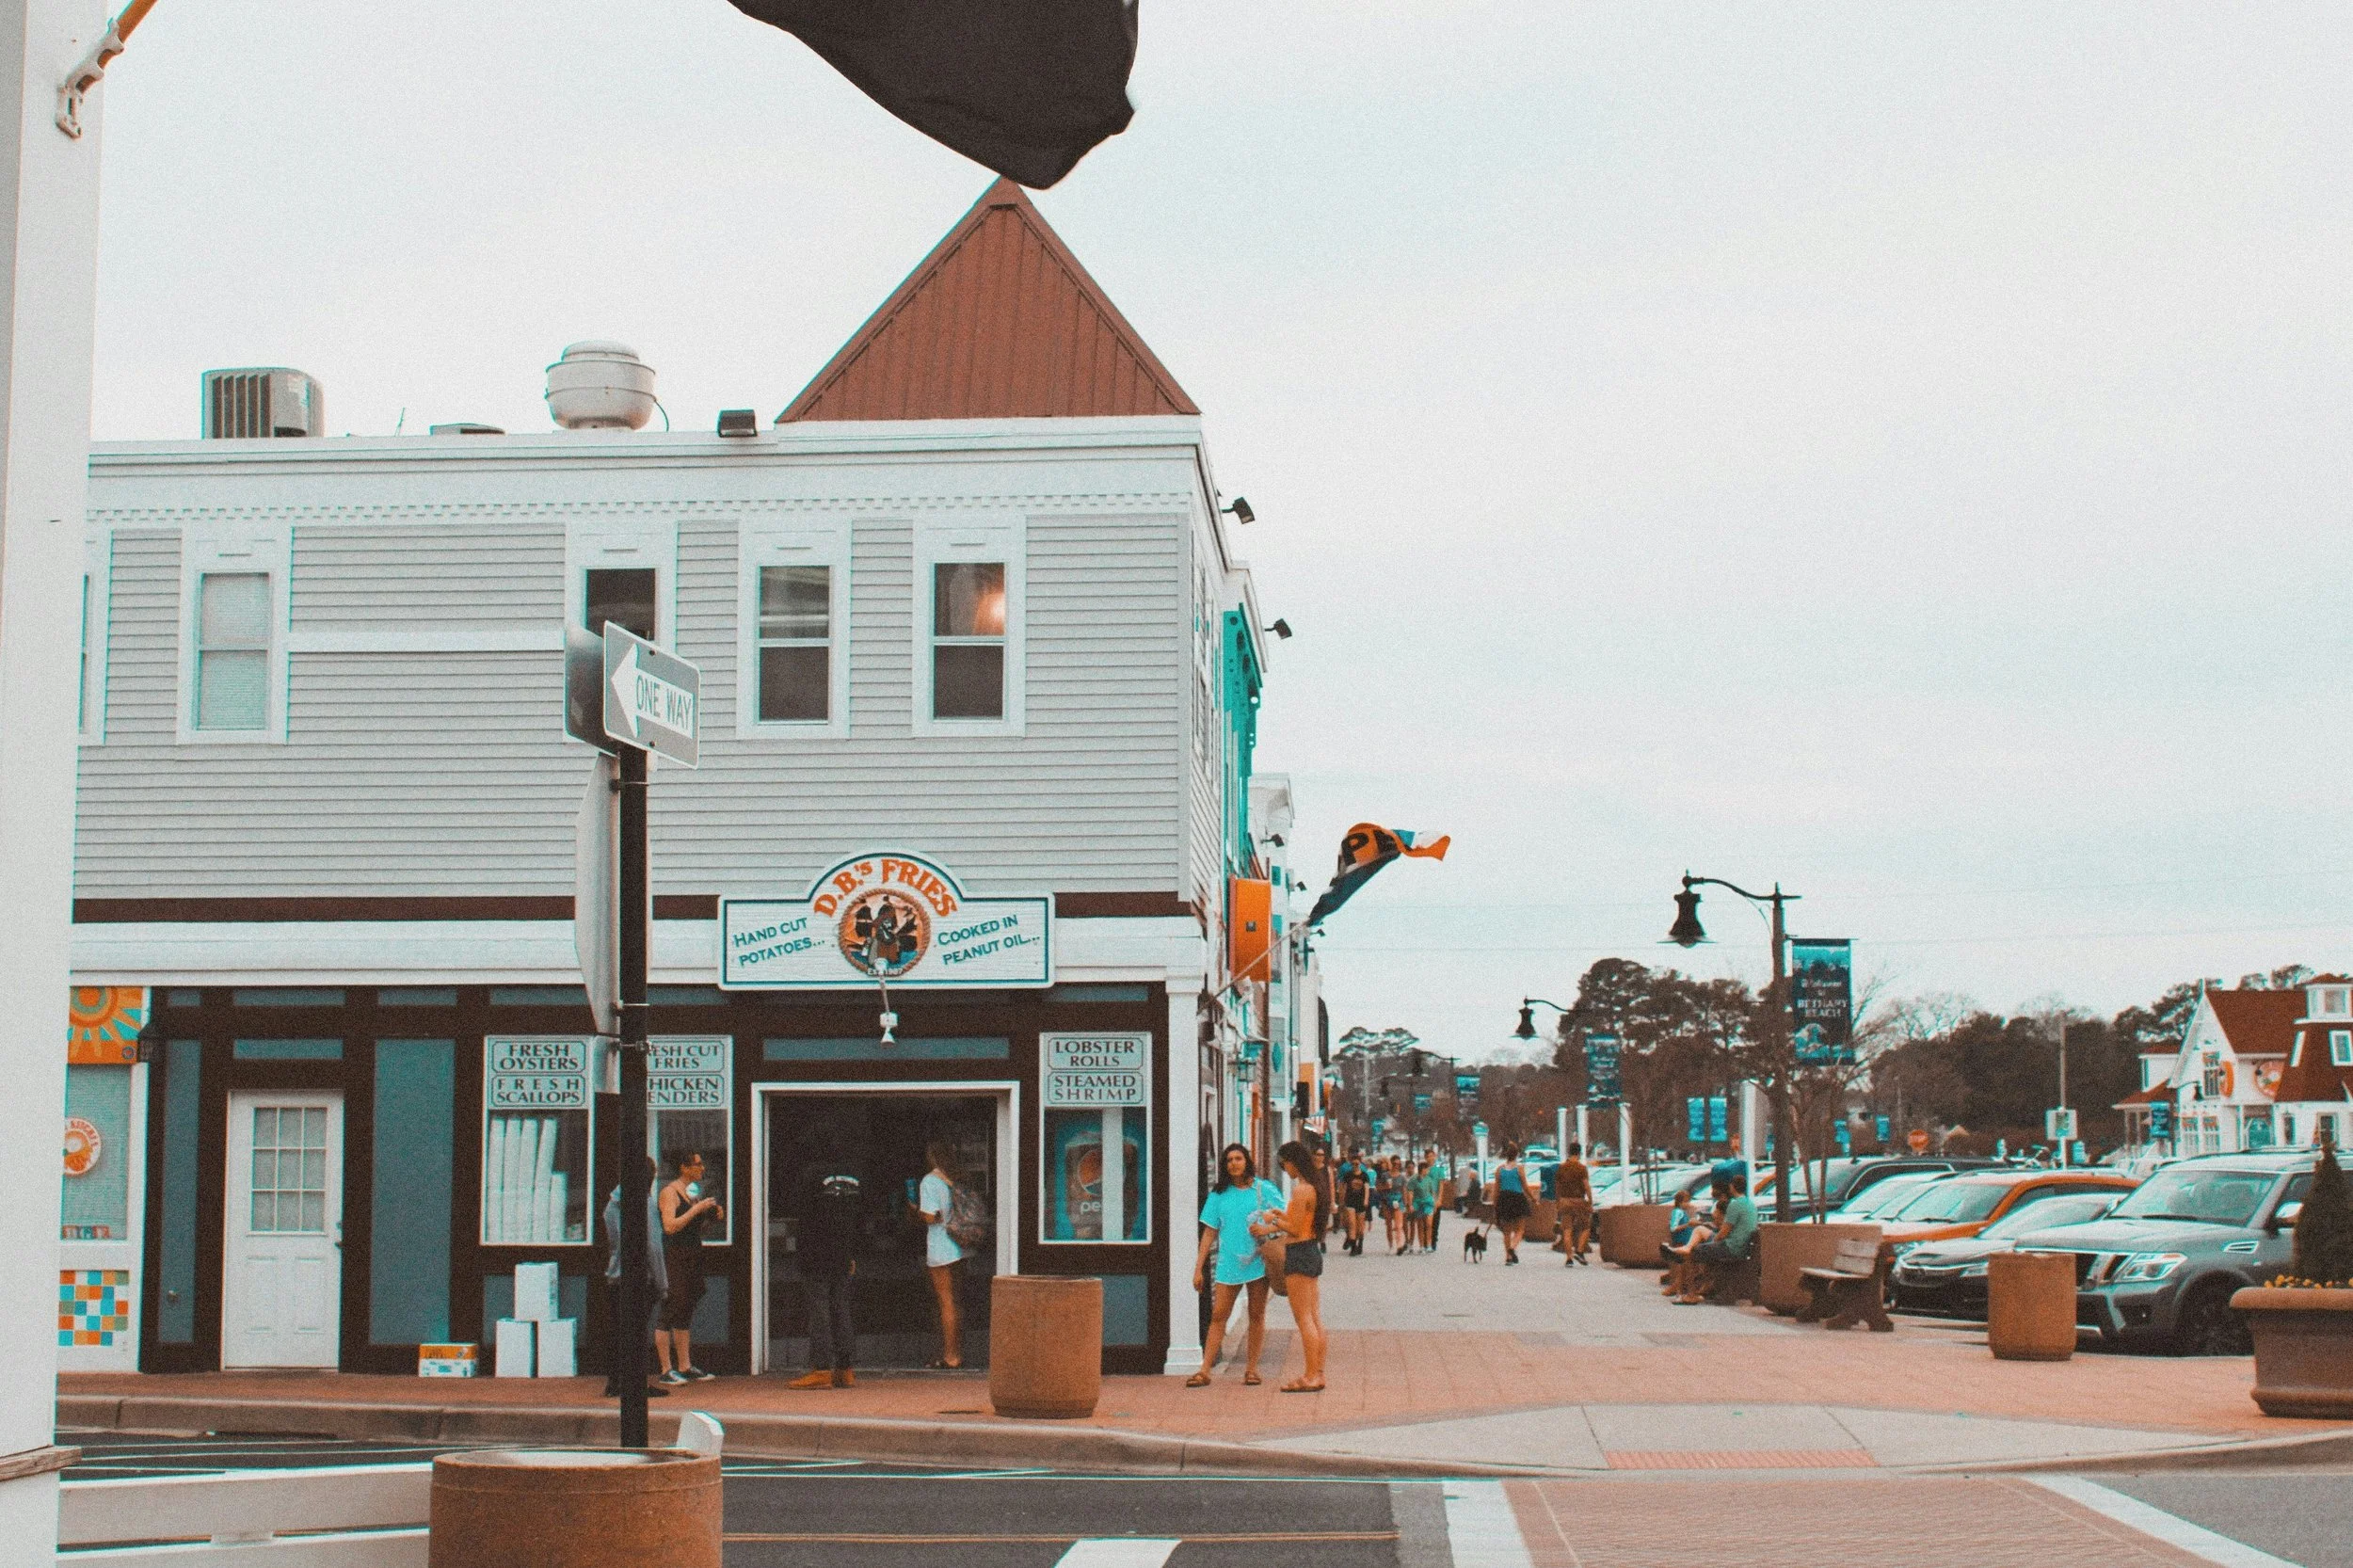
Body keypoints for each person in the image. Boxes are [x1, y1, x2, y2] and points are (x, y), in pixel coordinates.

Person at [1188, 1144, 1285, 1386]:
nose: (1234, 1163)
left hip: (1258, 1262)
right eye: (1229, 1160)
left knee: (1256, 1314)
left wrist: (1267, 1228)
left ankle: (1252, 1370)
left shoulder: (1263, 1189)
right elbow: (1209, 1233)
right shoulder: (1218, 1195)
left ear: (1247, 1161)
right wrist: (1198, 1268)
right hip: (1228, 1264)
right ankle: (1204, 1370)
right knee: (1219, 1315)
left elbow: (1285, 1219)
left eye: (1238, 1158)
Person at [788, 1151, 861, 1389]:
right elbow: (859, 1215)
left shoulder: (811, 1174)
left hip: (815, 1250)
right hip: (842, 1251)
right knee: (841, 1307)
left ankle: (821, 1369)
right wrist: (851, 1252)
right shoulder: (853, 1176)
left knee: (819, 1309)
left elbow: (797, 1208)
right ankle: (845, 1369)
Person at [600, 1156, 669, 1399]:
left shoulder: (612, 1205)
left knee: (618, 1333)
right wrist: (662, 1283)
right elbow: (653, 1247)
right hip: (641, 1279)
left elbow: (613, 1240)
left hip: (616, 1277)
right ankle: (637, 1384)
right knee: (637, 1334)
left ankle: (615, 1382)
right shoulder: (646, 1204)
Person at [654, 1150, 723, 1384]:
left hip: (692, 1254)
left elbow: (694, 1228)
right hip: (674, 1256)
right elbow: (669, 1226)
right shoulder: (669, 1192)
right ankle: (666, 1369)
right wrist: (696, 1209)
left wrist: (710, 1216)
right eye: (697, 1164)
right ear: (684, 1168)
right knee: (672, 1305)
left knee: (686, 1306)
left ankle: (684, 1365)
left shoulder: (692, 1192)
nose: (702, 1168)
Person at [1273, 1141, 1329, 1393]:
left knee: (1303, 1318)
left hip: (1298, 1252)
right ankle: (1318, 1372)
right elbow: (1302, 1221)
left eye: (1284, 1164)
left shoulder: (1301, 1190)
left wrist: (1274, 1220)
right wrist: (1280, 1216)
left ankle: (1310, 1375)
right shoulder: (1315, 1187)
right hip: (1311, 1250)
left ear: (1293, 1162)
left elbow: (1294, 1229)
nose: (1285, 1170)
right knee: (1314, 1317)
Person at [911, 1141, 965, 1368]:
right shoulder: (954, 1178)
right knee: (955, 1301)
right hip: (959, 1245)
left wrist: (915, 1210)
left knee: (945, 1302)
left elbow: (931, 1217)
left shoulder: (930, 1181)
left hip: (940, 1247)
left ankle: (950, 1356)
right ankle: (957, 1352)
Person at [1673, 1173, 1757, 1304]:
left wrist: (1713, 1241)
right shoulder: (1750, 1204)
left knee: (1693, 1252)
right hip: (1743, 1247)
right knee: (1704, 1246)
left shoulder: (1735, 1205)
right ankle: (1705, 1287)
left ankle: (1691, 1294)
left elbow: (1723, 1233)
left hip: (1732, 1247)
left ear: (1732, 1187)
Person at [1489, 1144, 1532, 1264]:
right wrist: (1533, 1198)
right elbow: (1525, 1186)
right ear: (1517, 1154)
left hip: (1504, 1199)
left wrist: (1495, 1204)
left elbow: (1496, 1189)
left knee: (1506, 1231)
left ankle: (1508, 1257)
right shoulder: (1519, 1169)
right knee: (1520, 1229)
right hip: (1518, 1199)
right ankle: (1512, 1247)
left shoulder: (1500, 1169)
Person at [1556, 1143, 1594, 1267]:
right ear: (1579, 1153)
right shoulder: (1581, 1168)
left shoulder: (1561, 1168)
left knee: (1567, 1230)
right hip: (1578, 1201)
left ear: (1569, 1152)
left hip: (1565, 1201)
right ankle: (1579, 1251)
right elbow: (1586, 1186)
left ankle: (1569, 1259)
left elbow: (1557, 1186)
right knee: (1586, 1227)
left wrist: (1558, 1201)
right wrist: (1590, 1200)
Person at [1340, 1153, 1371, 1256]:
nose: (1355, 1166)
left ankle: (1360, 1243)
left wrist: (1366, 1200)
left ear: (1360, 1164)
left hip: (1360, 1202)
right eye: (1353, 1164)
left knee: (1360, 1227)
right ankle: (1353, 1247)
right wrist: (1342, 1200)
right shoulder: (1348, 1175)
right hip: (1350, 1201)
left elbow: (1367, 1188)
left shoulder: (1364, 1175)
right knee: (1351, 1223)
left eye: (1357, 1164)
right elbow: (1343, 1187)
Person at [1411, 1157, 1441, 1253]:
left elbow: (1433, 1193)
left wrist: (1435, 1203)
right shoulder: (1414, 1179)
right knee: (1420, 1225)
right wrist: (1411, 1204)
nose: (1427, 1171)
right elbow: (1411, 1191)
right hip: (1418, 1203)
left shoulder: (1429, 1180)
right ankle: (1421, 1245)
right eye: (1426, 1169)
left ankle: (1428, 1244)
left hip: (1428, 1203)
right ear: (1422, 1169)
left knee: (1428, 1224)